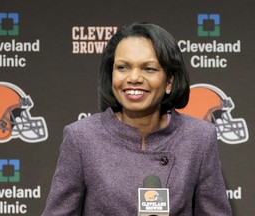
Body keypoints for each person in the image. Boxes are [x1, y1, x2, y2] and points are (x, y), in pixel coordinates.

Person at [42, 22, 232, 215]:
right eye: (123, 67)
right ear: (111, 74)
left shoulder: (199, 138)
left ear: (169, 81)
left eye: (148, 69)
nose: (134, 77)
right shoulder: (81, 138)